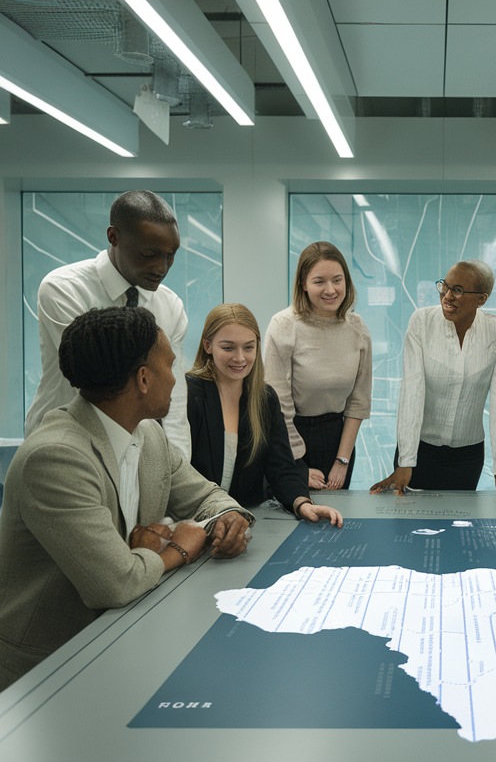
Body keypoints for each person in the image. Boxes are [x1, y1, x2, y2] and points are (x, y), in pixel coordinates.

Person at [0, 306, 252, 692]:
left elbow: (208, 497)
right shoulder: (54, 457)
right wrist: (178, 549)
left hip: (124, 638)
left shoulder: (148, 434)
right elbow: (116, 583)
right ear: (144, 379)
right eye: (171, 365)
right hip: (50, 670)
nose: (176, 378)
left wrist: (228, 518)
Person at [25, 189, 191, 458]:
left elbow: (174, 397)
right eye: (149, 253)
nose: (162, 267)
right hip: (65, 445)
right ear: (113, 237)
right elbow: (97, 380)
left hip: (136, 451)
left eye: (170, 255)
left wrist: (177, 466)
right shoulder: (64, 289)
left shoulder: (170, 306)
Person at [370, 260, 496, 494]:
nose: (447, 296)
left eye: (457, 290)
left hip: (467, 457)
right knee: (412, 526)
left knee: (460, 526)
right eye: (444, 287)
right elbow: (412, 393)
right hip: (419, 451)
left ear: (482, 299)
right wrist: (405, 461)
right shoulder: (421, 322)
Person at [187, 303, 342, 525]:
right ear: (208, 346)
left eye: (248, 347)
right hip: (195, 521)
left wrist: (302, 504)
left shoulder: (265, 398)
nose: (240, 358)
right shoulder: (189, 394)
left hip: (245, 523)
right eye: (228, 348)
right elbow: (179, 473)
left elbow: (282, 467)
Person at [264, 242, 371, 489]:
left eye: (337, 280)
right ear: (303, 283)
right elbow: (278, 404)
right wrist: (297, 462)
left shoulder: (357, 328)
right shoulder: (283, 325)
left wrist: (342, 461)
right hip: (290, 437)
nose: (330, 290)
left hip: (338, 441)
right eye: (319, 281)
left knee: (336, 520)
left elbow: (359, 401)